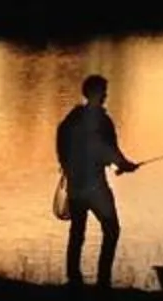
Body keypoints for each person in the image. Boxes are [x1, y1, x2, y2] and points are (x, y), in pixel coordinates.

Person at [56, 73, 142, 287]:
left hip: (76, 185)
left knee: (77, 231)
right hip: (95, 188)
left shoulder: (72, 118)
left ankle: (74, 278)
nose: (105, 95)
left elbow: (64, 144)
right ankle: (103, 280)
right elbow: (109, 150)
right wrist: (124, 165)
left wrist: (68, 167)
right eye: (103, 91)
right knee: (112, 230)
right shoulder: (102, 121)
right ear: (95, 93)